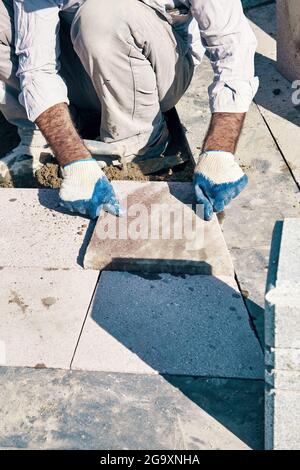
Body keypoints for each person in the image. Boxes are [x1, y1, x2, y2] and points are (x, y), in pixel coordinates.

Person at [0, 0, 258, 220]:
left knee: (103, 13)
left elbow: (232, 48)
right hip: (81, 66)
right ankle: (41, 138)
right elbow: (37, 69)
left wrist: (219, 151)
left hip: (155, 67)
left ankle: (138, 144)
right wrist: (73, 159)